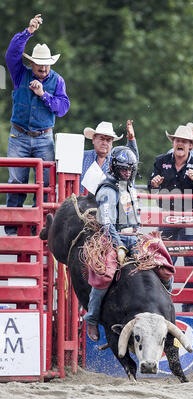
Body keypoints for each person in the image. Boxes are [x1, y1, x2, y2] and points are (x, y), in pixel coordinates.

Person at [5, 14, 70, 235]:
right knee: (16, 181)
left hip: (44, 136)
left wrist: (43, 95)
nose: (43, 68)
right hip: (19, 134)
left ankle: (39, 226)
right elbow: (11, 53)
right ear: (31, 63)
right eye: (39, 64)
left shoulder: (57, 80)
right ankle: (12, 227)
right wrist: (28, 32)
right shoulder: (19, 73)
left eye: (46, 65)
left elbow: (62, 108)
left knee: (45, 184)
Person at [148, 125, 193, 313]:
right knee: (163, 261)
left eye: (184, 141)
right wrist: (153, 184)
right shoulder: (161, 161)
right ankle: (160, 304)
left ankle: (192, 306)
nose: (180, 144)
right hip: (168, 216)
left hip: (191, 216)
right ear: (173, 142)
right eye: (177, 140)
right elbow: (151, 187)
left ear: (190, 146)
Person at [84, 146, 140, 341]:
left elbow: (134, 159)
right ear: (115, 169)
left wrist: (132, 140)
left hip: (135, 236)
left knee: (162, 263)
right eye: (123, 169)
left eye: (130, 169)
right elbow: (106, 222)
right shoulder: (108, 190)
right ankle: (91, 318)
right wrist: (118, 246)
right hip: (113, 238)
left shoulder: (127, 183)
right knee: (105, 275)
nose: (127, 172)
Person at [80, 120, 137, 194]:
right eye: (101, 139)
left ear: (112, 143)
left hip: (108, 204)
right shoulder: (82, 157)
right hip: (81, 203)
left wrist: (131, 140)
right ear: (93, 139)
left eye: (108, 140)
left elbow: (132, 161)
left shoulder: (119, 162)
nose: (104, 143)